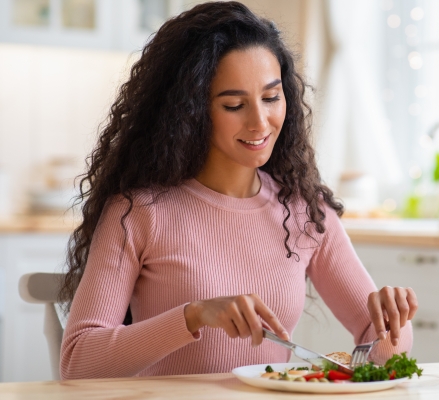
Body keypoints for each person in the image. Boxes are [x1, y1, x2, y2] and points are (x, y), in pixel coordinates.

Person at [58, 1, 417, 380]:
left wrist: (392, 321)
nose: (260, 122)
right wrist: (193, 315)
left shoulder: (305, 210)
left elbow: (380, 355)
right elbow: (79, 362)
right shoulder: (138, 213)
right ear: (191, 110)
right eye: (234, 104)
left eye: (271, 97)